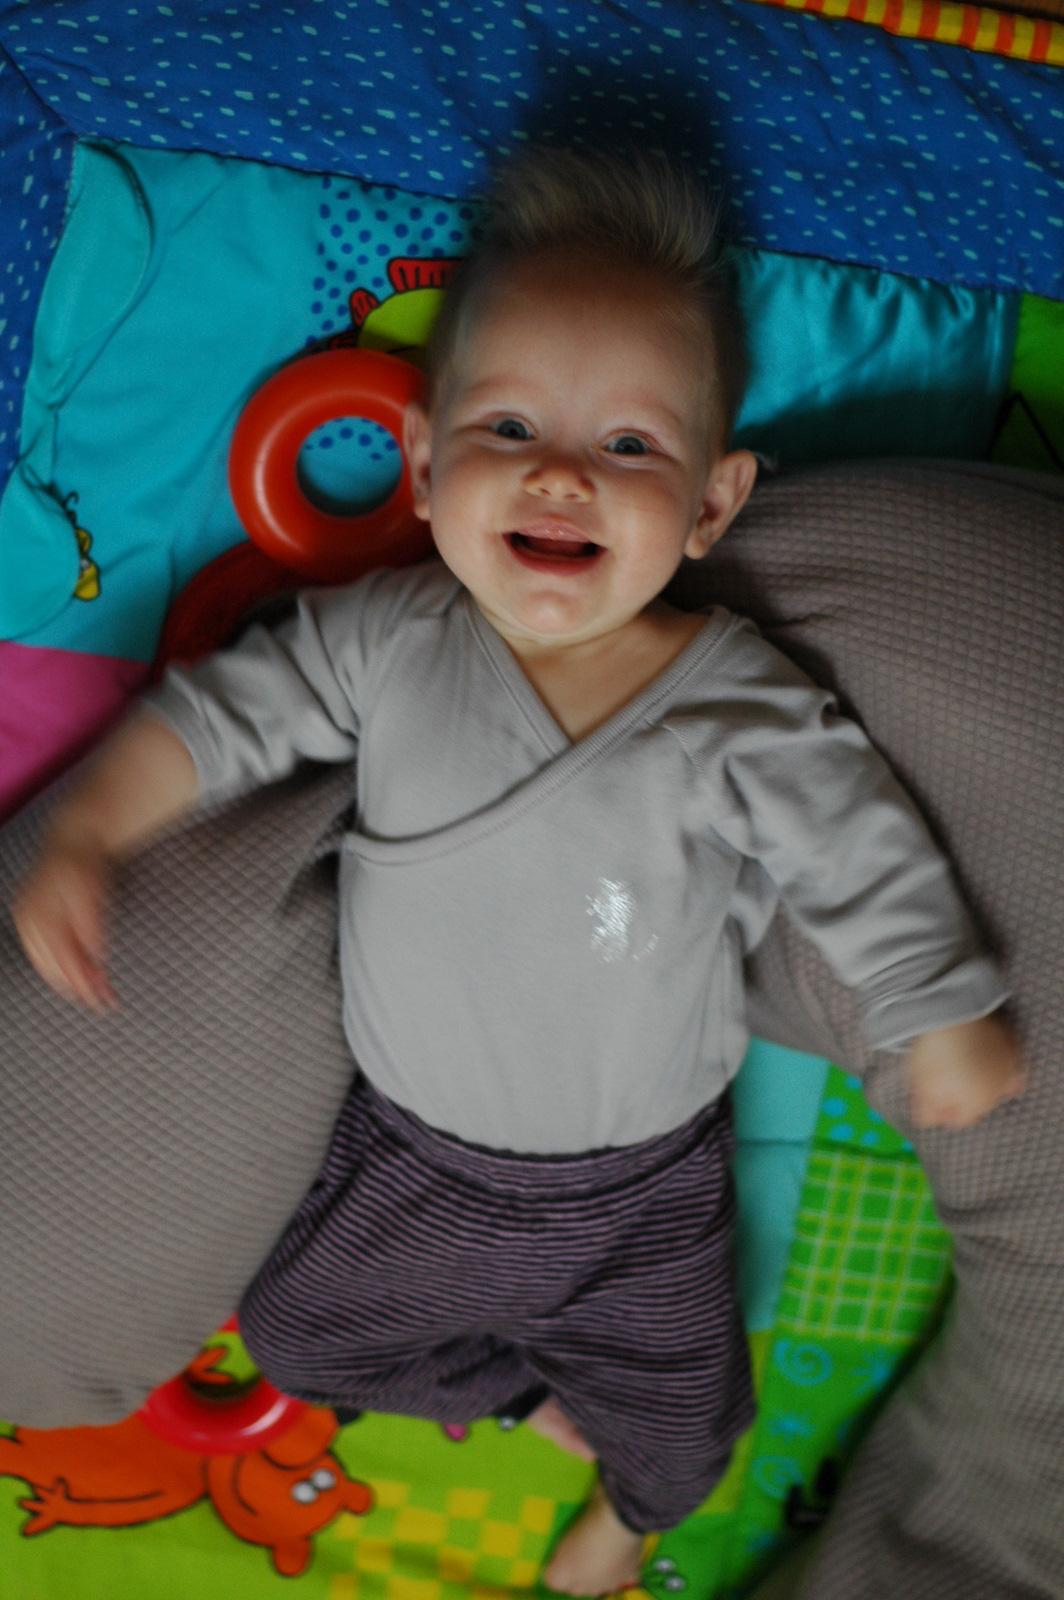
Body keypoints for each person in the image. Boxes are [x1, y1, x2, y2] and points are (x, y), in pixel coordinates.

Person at [12, 148, 1024, 1595]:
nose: (562, 472)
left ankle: (636, 1504)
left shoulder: (732, 696)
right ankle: (518, 1397)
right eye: (509, 426)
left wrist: (938, 1008)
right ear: (425, 466)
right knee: (301, 1341)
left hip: (644, 1187)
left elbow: (855, 844)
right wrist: (91, 831)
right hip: (410, 1159)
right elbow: (221, 720)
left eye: (630, 447)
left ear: (712, 507)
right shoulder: (387, 642)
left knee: (689, 1417)